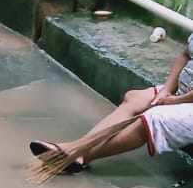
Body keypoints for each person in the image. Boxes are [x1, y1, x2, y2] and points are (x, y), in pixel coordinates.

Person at [30, 34, 193, 172]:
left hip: (187, 101)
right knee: (134, 98)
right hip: (181, 93)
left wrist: (175, 101)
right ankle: (79, 146)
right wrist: (166, 91)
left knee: (152, 118)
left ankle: (81, 155)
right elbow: (186, 54)